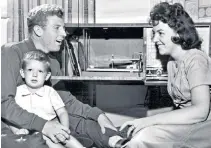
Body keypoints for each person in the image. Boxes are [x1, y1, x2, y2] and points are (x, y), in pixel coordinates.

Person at [1, 4, 120, 148]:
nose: (64, 33)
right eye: (57, 28)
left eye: (63, 28)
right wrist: (44, 126)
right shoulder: (11, 52)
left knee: (94, 125)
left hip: (47, 122)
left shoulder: (52, 62)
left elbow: (66, 102)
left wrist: (98, 115)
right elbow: (4, 105)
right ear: (38, 30)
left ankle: (120, 143)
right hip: (15, 130)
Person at [118, 2, 211, 148]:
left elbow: (201, 111)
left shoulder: (196, 60)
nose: (155, 40)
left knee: (143, 138)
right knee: (141, 132)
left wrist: (149, 121)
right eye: (154, 33)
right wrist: (148, 120)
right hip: (192, 123)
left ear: (179, 32)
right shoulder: (171, 62)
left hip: (205, 127)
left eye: (160, 33)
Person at [9, 50, 84, 148]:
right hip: (30, 132)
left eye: (40, 71)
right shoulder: (17, 92)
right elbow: (10, 116)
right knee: (50, 142)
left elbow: (62, 112)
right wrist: (17, 131)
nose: (34, 74)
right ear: (22, 73)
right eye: (30, 70)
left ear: (47, 76)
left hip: (51, 125)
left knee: (67, 138)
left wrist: (64, 129)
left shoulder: (49, 92)